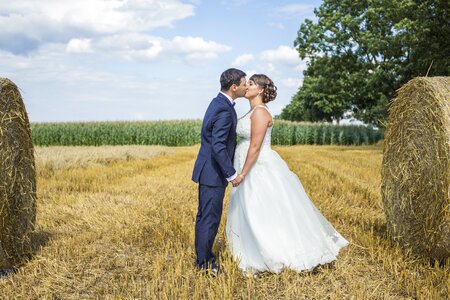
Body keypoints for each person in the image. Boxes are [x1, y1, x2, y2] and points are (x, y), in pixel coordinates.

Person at [226, 74, 349, 275]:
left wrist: (243, 173)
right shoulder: (251, 111)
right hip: (245, 163)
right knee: (250, 208)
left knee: (259, 208)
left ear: (261, 90)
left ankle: (271, 252)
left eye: (250, 83)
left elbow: (255, 147)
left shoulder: (259, 112)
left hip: (256, 167)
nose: (246, 86)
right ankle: (252, 249)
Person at [192, 68, 247, 274]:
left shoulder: (217, 102)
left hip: (208, 171)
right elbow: (218, 146)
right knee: (210, 218)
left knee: (205, 216)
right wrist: (231, 174)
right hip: (213, 173)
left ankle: (202, 258)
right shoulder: (224, 109)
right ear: (234, 87)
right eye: (243, 83)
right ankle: (205, 264)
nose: (245, 86)